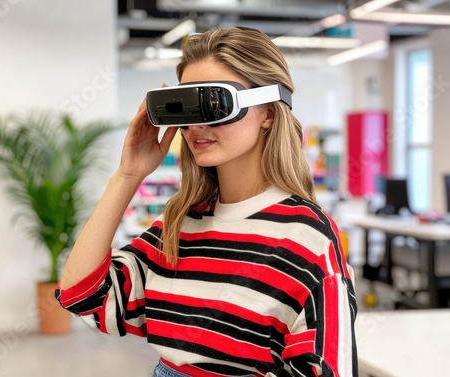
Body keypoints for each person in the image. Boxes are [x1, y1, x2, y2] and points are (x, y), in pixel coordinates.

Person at [56, 27, 358, 377]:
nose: (196, 125)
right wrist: (127, 175)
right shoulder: (181, 225)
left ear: (269, 113)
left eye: (213, 103)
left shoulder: (307, 238)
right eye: (187, 108)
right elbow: (81, 295)